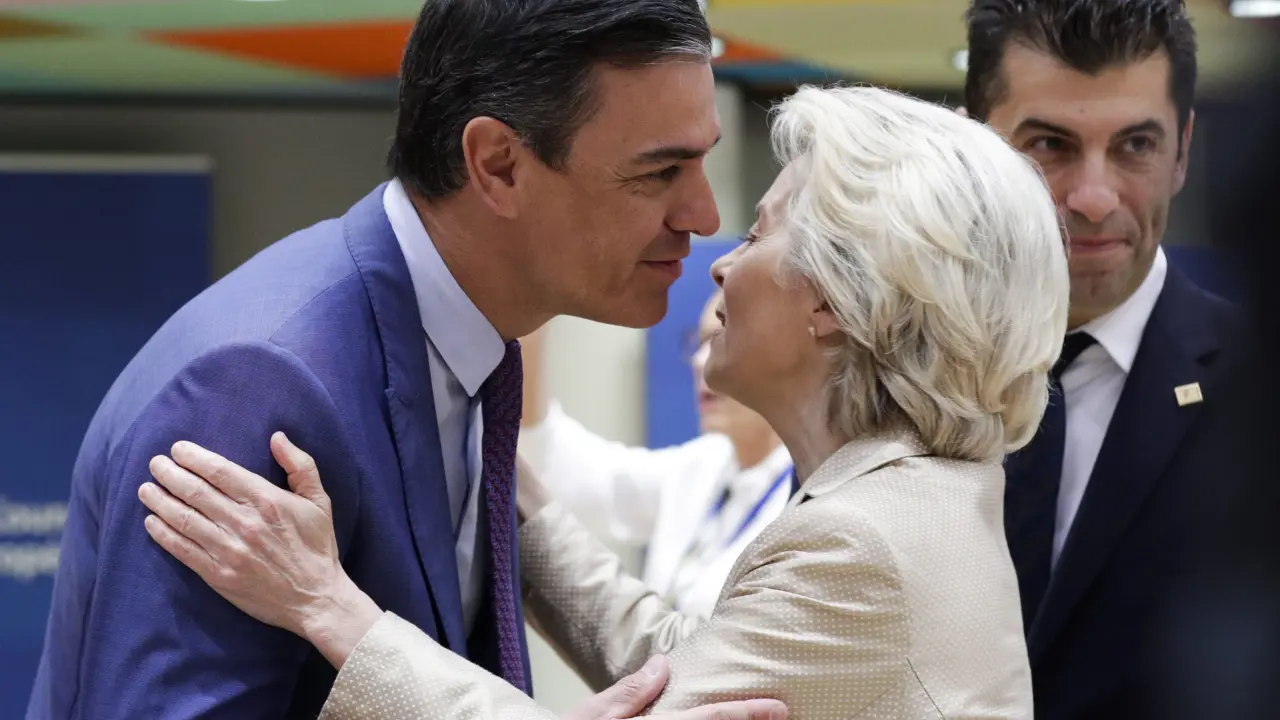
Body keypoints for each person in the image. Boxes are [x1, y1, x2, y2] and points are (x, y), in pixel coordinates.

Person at [137, 84, 1070, 719]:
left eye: (758, 234)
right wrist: (508, 489)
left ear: (837, 299)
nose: (723, 261)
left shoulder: (863, 545)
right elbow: (679, 664)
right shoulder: (915, 501)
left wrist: (331, 608)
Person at [24, 1, 751, 718]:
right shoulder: (257, 383)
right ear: (498, 165)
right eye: (661, 171)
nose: (706, 216)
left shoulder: (467, 351)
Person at [962, 1, 1246, 717]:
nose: (1093, 199)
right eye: (1050, 144)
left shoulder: (1258, 396)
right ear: (974, 147)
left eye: (1135, 145)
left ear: (1182, 151)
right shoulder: (889, 371)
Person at [519, 290, 791, 617]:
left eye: (721, 340)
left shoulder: (817, 495)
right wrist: (528, 329)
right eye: (699, 342)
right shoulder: (705, 465)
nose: (699, 361)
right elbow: (574, 471)